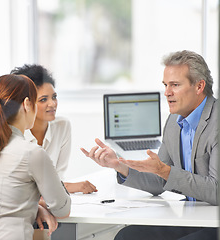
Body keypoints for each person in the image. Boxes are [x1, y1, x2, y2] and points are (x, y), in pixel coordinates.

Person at [81, 50, 218, 239]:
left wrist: (166, 171)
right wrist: (119, 165)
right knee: (127, 236)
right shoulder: (173, 121)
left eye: (175, 85)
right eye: (165, 85)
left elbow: (216, 190)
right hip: (193, 217)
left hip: (215, 222)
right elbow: (159, 182)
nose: (167, 92)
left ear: (199, 86)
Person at [0, 74, 71, 240]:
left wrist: (36, 207)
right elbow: (62, 210)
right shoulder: (32, 153)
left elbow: (1, 203)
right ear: (27, 104)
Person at [11, 64, 97, 194]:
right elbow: (19, 188)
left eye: (54, 97)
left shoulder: (62, 126)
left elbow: (58, 178)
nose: (52, 104)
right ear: (26, 104)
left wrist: (62, 187)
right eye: (43, 99)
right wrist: (70, 187)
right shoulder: (13, 135)